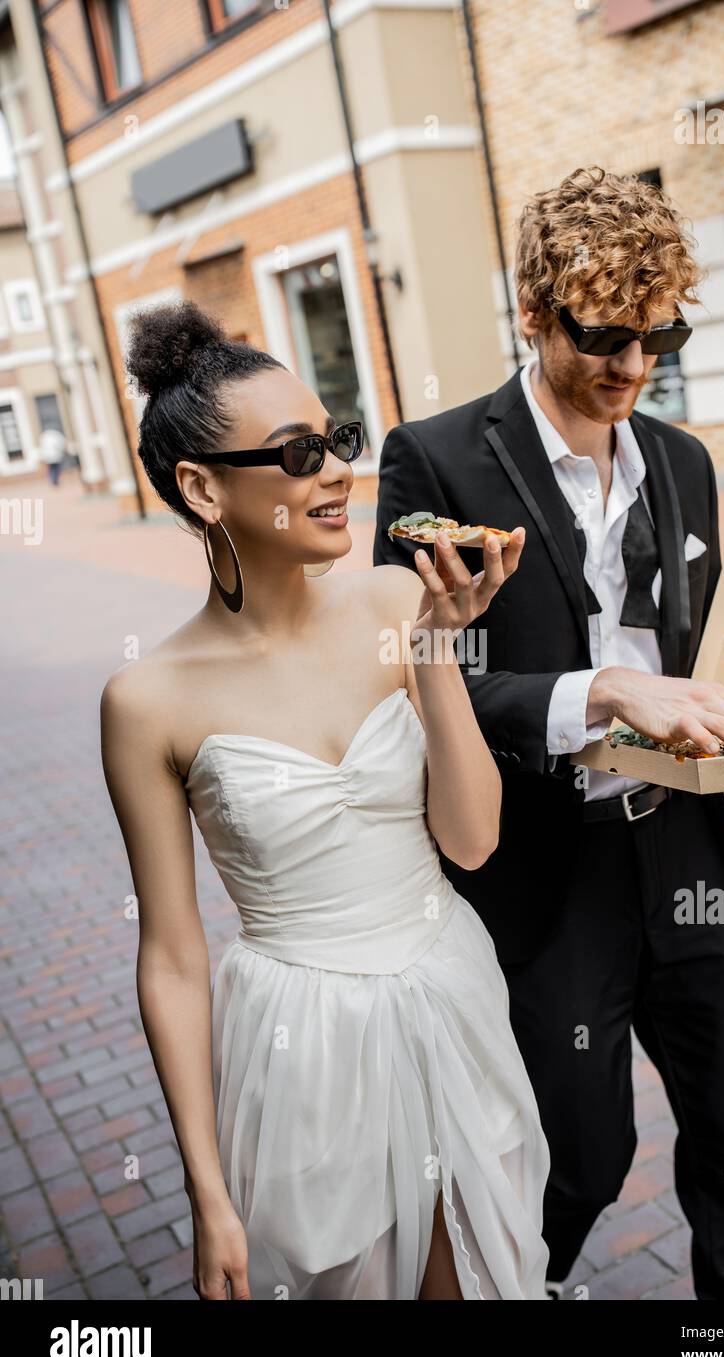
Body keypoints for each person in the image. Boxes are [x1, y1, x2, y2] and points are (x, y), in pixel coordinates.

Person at [373, 167, 724, 1300]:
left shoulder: (685, 462)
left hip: (687, 850)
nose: (630, 366)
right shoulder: (434, 458)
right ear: (530, 309)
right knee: (577, 1155)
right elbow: (415, 681)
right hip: (542, 869)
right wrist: (599, 691)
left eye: (660, 335)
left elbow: (695, 654)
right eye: (602, 333)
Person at [99, 300, 550, 1301]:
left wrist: (435, 648)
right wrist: (206, 1191)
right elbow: (171, 959)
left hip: (447, 996)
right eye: (297, 454)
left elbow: (471, 844)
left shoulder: (398, 601)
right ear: (200, 486)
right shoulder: (144, 700)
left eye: (336, 439)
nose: (337, 469)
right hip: (301, 1045)